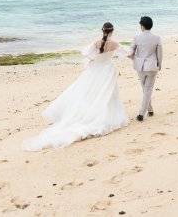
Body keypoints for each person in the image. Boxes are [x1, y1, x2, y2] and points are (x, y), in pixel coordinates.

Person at [21, 22, 130, 151]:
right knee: (107, 93)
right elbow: (126, 54)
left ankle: (88, 113)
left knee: (89, 91)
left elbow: (88, 54)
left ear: (102, 30)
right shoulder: (115, 43)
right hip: (108, 70)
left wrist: (97, 57)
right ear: (112, 31)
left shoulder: (96, 41)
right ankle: (106, 114)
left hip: (95, 69)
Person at [128, 16, 163, 122]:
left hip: (140, 67)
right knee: (147, 90)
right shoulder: (157, 37)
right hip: (152, 67)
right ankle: (150, 109)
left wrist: (136, 59)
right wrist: (159, 65)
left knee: (146, 89)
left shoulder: (136, 37)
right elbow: (160, 53)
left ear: (142, 26)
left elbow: (130, 53)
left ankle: (141, 113)